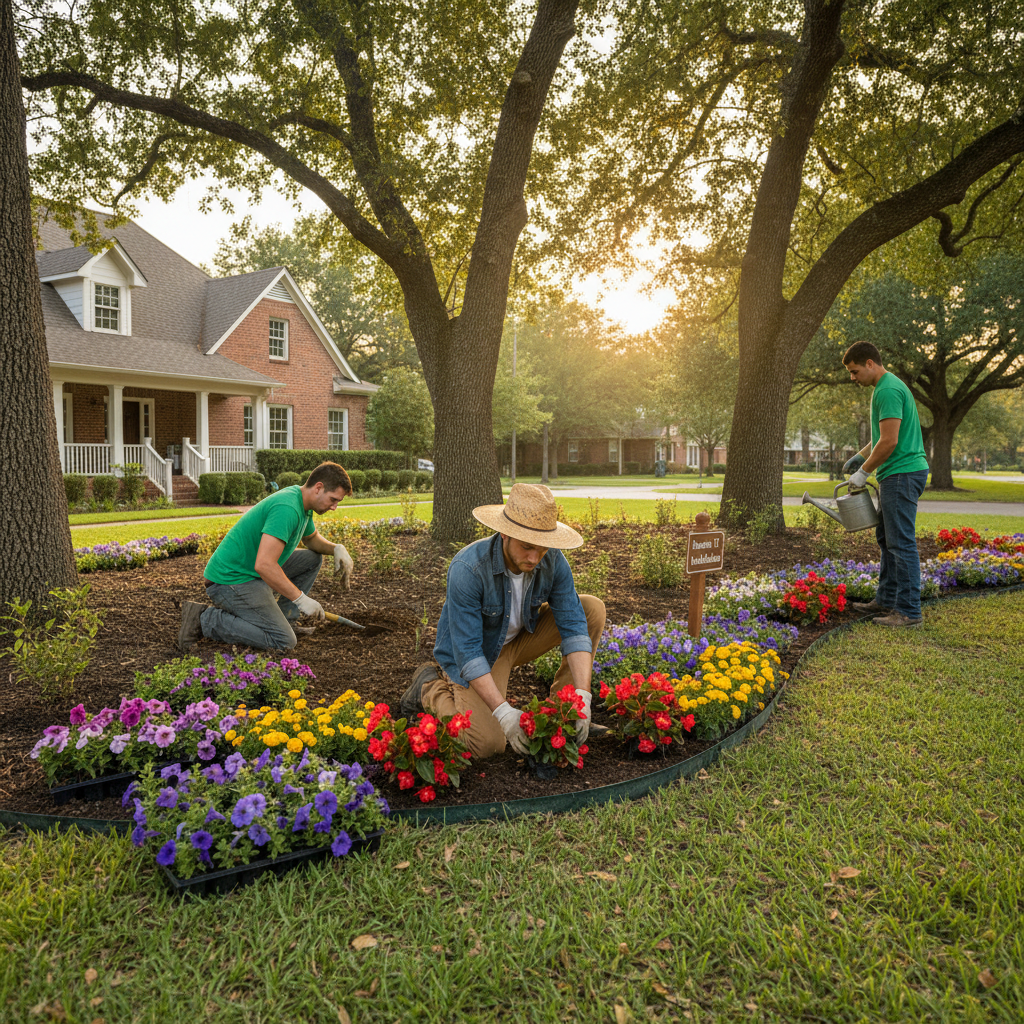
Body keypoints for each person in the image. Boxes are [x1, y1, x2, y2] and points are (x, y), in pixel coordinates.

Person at [399, 483, 606, 759]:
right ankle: (429, 688)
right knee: (487, 744)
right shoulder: (468, 569)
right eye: (527, 547)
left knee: (591, 609)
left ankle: (565, 713)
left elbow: (574, 624)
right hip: (476, 654)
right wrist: (504, 713)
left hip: (518, 639)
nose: (534, 558)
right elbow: (469, 652)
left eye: (542, 549)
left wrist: (583, 697)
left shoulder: (552, 559)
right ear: (505, 534)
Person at [177, 462, 355, 651]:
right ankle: (205, 619)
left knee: (311, 559)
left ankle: (287, 619)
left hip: (251, 572)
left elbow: (311, 540)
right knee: (284, 641)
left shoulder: (303, 503)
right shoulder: (287, 508)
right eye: (333, 499)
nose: (335, 506)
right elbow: (264, 565)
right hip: (230, 581)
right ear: (318, 488)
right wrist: (301, 599)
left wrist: (336, 548)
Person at [842, 342, 931, 627]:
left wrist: (863, 472)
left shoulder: (889, 391)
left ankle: (908, 612)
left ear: (870, 363)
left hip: (902, 474)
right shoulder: (886, 387)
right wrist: (860, 456)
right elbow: (882, 437)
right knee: (887, 539)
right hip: (897, 473)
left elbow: (890, 442)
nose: (852, 379)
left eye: (854, 372)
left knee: (901, 542)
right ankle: (886, 599)